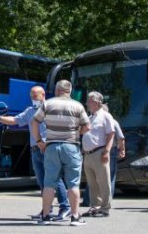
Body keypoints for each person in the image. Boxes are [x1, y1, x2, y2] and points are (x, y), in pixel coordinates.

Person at [0, 86, 71, 220]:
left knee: (55, 178)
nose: (32, 98)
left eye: (35, 96)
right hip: (35, 150)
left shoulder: (51, 108)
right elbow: (15, 120)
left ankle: (65, 207)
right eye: (31, 96)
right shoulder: (30, 111)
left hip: (47, 148)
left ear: (43, 95)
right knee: (42, 181)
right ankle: (47, 209)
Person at [31, 80, 91, 226]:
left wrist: (39, 141)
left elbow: (34, 122)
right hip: (71, 146)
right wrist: (77, 132)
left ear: (57, 90)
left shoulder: (48, 104)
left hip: (51, 146)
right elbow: (87, 126)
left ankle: (45, 216)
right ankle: (75, 217)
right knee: (73, 184)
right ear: (69, 91)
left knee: (49, 183)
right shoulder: (78, 105)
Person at [82, 104, 125, 207]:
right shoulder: (91, 118)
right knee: (93, 180)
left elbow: (120, 137)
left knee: (107, 178)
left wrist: (121, 149)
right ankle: (92, 203)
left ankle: (105, 204)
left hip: (108, 151)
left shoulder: (111, 121)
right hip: (92, 152)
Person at [81, 92, 115, 218]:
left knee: (104, 182)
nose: (87, 103)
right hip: (88, 154)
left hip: (99, 152)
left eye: (89, 101)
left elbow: (111, 134)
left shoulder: (105, 116)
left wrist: (106, 151)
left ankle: (105, 208)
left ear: (97, 102)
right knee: (92, 182)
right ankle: (95, 206)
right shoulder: (90, 117)